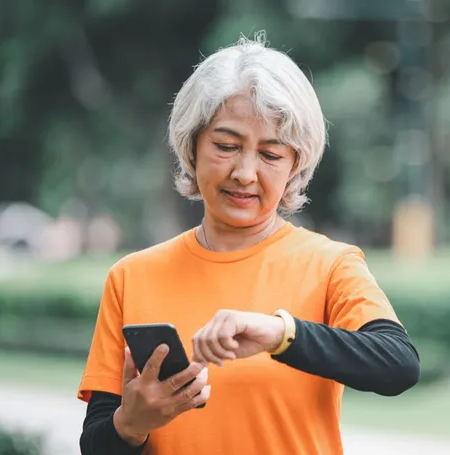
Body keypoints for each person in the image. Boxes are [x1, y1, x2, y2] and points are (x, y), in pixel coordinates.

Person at [77, 33, 421, 455]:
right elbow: (95, 445)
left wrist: (281, 333)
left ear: (296, 164)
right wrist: (132, 424)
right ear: (192, 146)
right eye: (226, 146)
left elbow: (398, 364)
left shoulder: (331, 265)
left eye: (271, 155)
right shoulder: (131, 277)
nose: (245, 172)